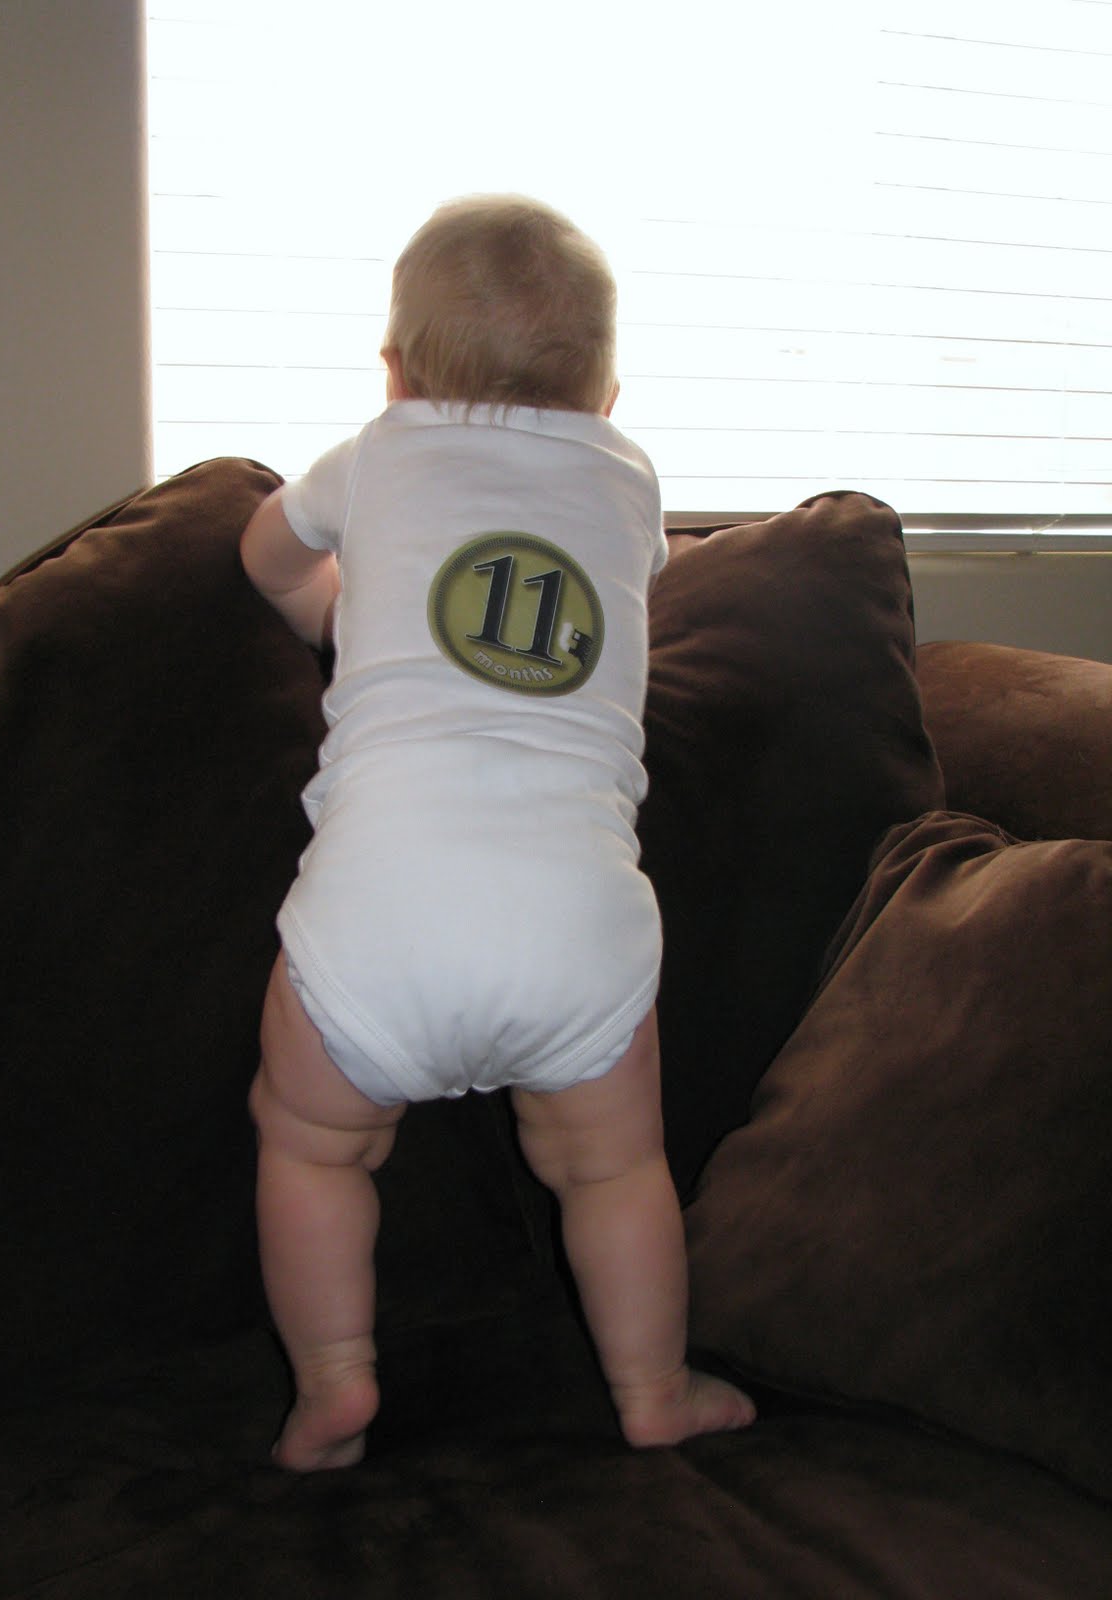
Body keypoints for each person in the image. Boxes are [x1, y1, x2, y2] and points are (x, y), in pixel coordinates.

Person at [240, 195, 755, 1471]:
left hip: (379, 916)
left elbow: (262, 557)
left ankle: (334, 1382)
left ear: (396, 372)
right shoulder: (630, 482)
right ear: (608, 397)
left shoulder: (377, 452)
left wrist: (337, 608)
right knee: (614, 1170)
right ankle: (652, 1388)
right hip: (577, 920)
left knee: (311, 1147)